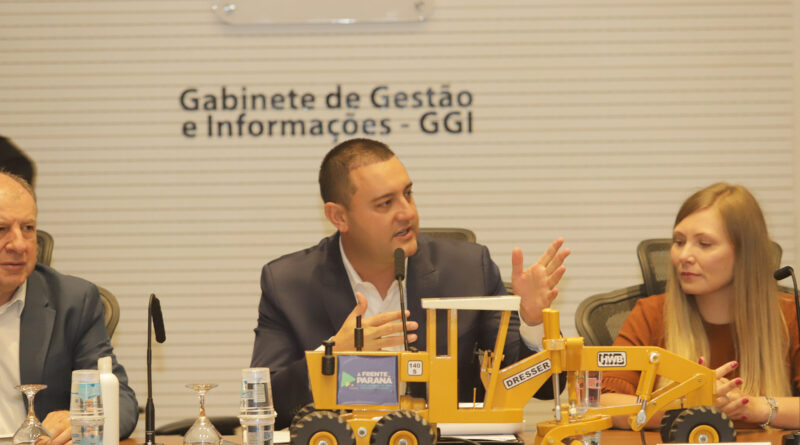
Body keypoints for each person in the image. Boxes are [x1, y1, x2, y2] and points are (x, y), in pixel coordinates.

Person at [251, 138, 570, 429]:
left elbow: (544, 388)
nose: (407, 212)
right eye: (385, 203)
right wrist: (330, 359)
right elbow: (265, 404)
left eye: (408, 194)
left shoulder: (469, 270)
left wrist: (532, 322)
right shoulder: (288, 284)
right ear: (339, 217)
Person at [600, 182, 800, 430]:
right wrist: (685, 407)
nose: (684, 256)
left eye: (704, 244)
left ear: (745, 254)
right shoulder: (650, 314)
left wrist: (757, 407)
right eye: (679, 241)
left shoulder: (790, 316)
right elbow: (603, 403)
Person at [0, 172, 138, 442]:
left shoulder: (72, 301)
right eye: (1, 228)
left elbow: (121, 402)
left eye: (28, 228)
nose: (18, 244)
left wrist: (81, 419)